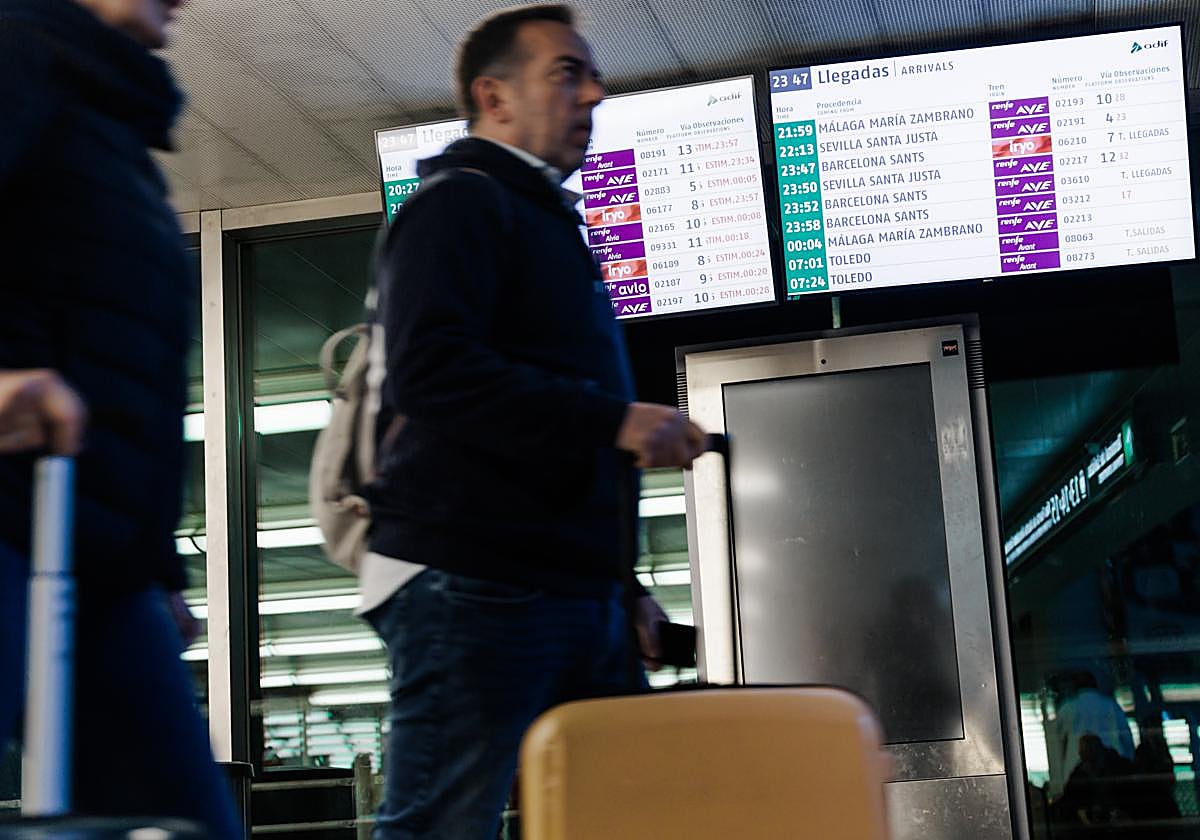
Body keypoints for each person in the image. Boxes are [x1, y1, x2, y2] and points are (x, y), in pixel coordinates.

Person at [360, 5, 708, 837]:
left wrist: (622, 589)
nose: (595, 89)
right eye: (566, 72)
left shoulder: (547, 224)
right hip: (471, 583)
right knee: (442, 828)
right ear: (495, 96)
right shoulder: (459, 203)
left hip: (568, 591)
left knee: (617, 819)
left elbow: (555, 430)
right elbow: (430, 371)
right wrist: (616, 420)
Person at [0, 0, 239, 835]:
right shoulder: (14, 50)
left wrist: (158, 570)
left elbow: (121, 374)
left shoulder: (106, 123)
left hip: (94, 556)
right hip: (13, 520)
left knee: (184, 820)